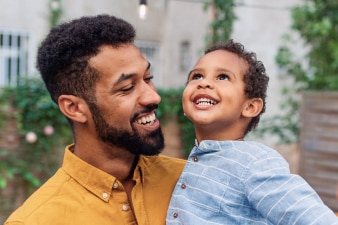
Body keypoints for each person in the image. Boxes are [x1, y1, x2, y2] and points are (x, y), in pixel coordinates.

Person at [4, 14, 185, 225]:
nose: (154, 96)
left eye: (148, 78)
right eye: (127, 88)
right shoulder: (37, 220)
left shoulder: (190, 181)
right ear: (74, 108)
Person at [166, 39, 338, 224]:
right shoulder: (199, 157)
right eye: (196, 76)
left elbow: (313, 218)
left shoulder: (254, 161)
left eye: (223, 77)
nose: (204, 83)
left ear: (250, 107)